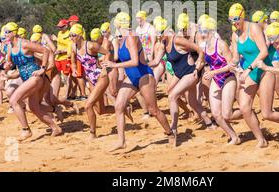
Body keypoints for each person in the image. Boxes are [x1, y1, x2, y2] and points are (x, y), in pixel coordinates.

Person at [101, 12, 174, 151]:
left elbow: (135, 61)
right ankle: (121, 141)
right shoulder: (120, 38)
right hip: (133, 77)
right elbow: (118, 57)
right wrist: (108, 61)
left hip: (144, 76)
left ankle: (170, 133)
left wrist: (114, 65)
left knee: (153, 110)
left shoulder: (131, 37)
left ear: (117, 23)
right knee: (118, 106)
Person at [229, 3, 279, 148]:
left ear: (243, 16)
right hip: (249, 72)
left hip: (263, 70)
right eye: (231, 20)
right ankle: (261, 140)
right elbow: (236, 57)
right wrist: (232, 63)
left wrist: (248, 69)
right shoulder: (234, 35)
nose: (234, 23)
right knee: (244, 108)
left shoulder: (254, 28)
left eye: (236, 19)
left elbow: (263, 52)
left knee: (267, 113)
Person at [149, 16, 215, 146]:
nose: (158, 36)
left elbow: (199, 50)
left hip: (191, 72)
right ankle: (210, 123)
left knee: (173, 96)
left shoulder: (178, 40)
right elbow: (156, 61)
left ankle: (173, 128)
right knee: (192, 101)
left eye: (160, 33)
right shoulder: (163, 44)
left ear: (166, 31)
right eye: (157, 33)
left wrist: (198, 66)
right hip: (179, 74)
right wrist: (141, 64)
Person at [4, 22, 62, 141]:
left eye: (7, 32)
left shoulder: (24, 44)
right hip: (27, 78)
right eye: (4, 32)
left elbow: (45, 51)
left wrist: (43, 68)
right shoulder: (10, 47)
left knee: (14, 100)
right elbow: (10, 65)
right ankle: (55, 127)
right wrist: (7, 67)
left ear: (14, 33)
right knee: (34, 108)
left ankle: (26, 130)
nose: (5, 34)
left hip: (36, 77)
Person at [200, 17, 242, 145]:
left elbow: (232, 65)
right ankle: (234, 137)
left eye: (205, 31)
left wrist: (214, 72)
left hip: (228, 77)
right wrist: (195, 70)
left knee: (227, 114)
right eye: (201, 31)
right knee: (216, 114)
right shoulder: (204, 46)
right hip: (216, 80)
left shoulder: (221, 44)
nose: (202, 34)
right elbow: (201, 61)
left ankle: (247, 113)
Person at [68, 15, 88, 100]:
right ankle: (78, 93)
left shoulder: (78, 29)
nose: (69, 23)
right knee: (75, 75)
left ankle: (83, 94)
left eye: (70, 21)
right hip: (74, 54)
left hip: (79, 56)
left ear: (74, 21)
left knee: (79, 75)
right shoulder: (74, 30)